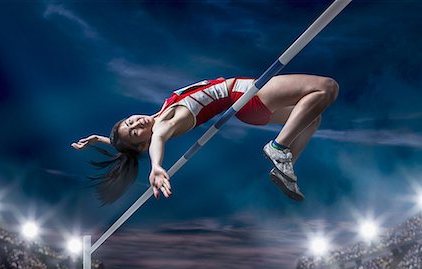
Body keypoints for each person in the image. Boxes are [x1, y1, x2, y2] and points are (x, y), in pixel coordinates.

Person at [72, 75, 338, 203]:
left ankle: (284, 169)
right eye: (134, 131)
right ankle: (278, 148)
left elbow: (134, 144)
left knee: (312, 118)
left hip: (246, 108)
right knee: (326, 87)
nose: (137, 123)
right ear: (142, 143)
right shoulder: (164, 125)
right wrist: (155, 166)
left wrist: (102, 139)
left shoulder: (158, 115)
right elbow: (157, 141)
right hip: (242, 95)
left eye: (130, 121)